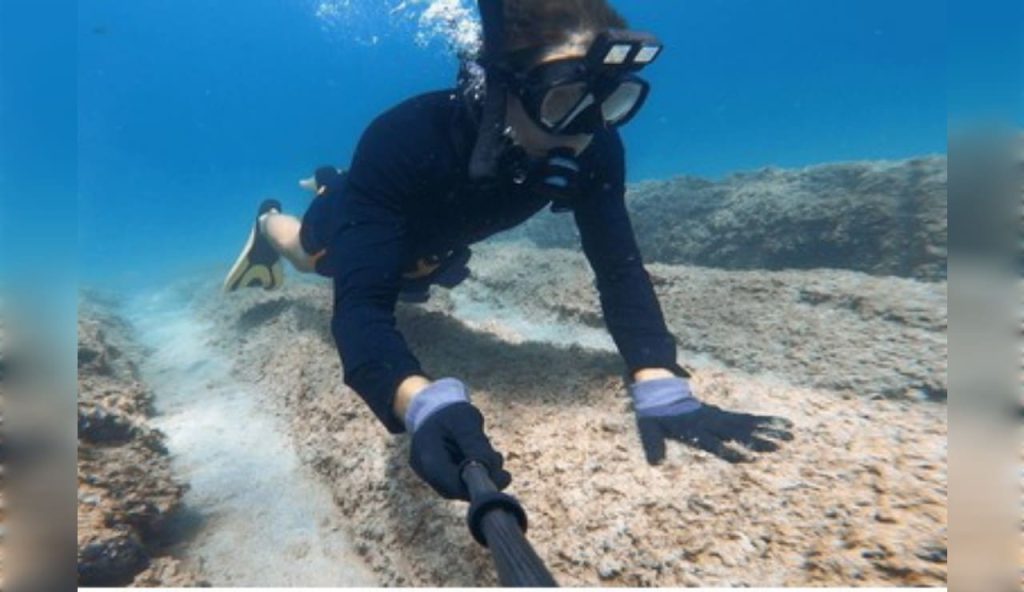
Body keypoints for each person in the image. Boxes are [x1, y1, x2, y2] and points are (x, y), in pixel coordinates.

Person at [224, 0, 793, 501]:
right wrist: (415, 403)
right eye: (564, 99)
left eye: (609, 100)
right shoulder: (402, 138)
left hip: (437, 243)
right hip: (365, 216)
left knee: (423, 274)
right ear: (501, 86)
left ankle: (334, 187)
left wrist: (658, 376)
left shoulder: (594, 146)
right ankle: (273, 217)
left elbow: (619, 268)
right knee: (313, 256)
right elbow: (359, 311)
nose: (586, 129)